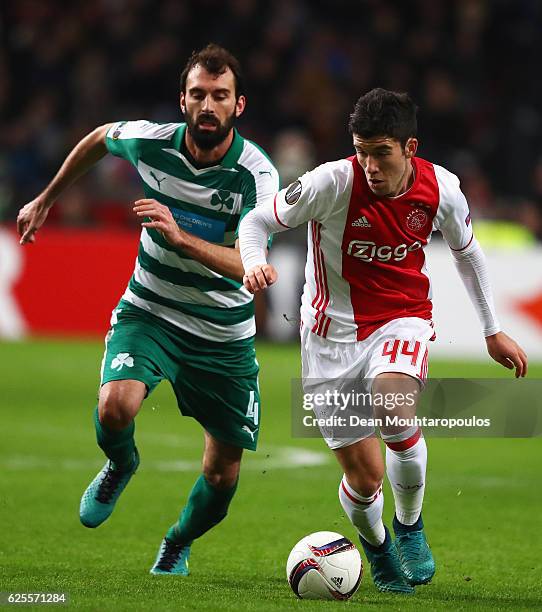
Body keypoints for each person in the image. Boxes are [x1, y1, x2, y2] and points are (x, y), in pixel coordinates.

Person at [239, 88, 527, 594]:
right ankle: (377, 549)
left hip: (401, 319)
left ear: (409, 147)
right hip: (329, 338)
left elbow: (467, 252)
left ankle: (410, 527)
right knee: (365, 478)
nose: (369, 164)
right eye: (362, 150)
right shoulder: (332, 181)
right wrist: (251, 260)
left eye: (381, 152)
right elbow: (258, 220)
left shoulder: (443, 188)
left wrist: (491, 329)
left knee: (396, 410)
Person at [16, 44, 279, 575]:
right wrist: (46, 199)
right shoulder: (150, 142)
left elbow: (248, 266)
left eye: (220, 96)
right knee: (115, 407)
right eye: (199, 94)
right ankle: (120, 463)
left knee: (223, 474)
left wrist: (182, 241)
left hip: (222, 333)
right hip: (150, 310)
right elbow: (97, 139)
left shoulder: (257, 176)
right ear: (182, 100)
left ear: (239, 105)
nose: (209, 105)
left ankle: (177, 541)